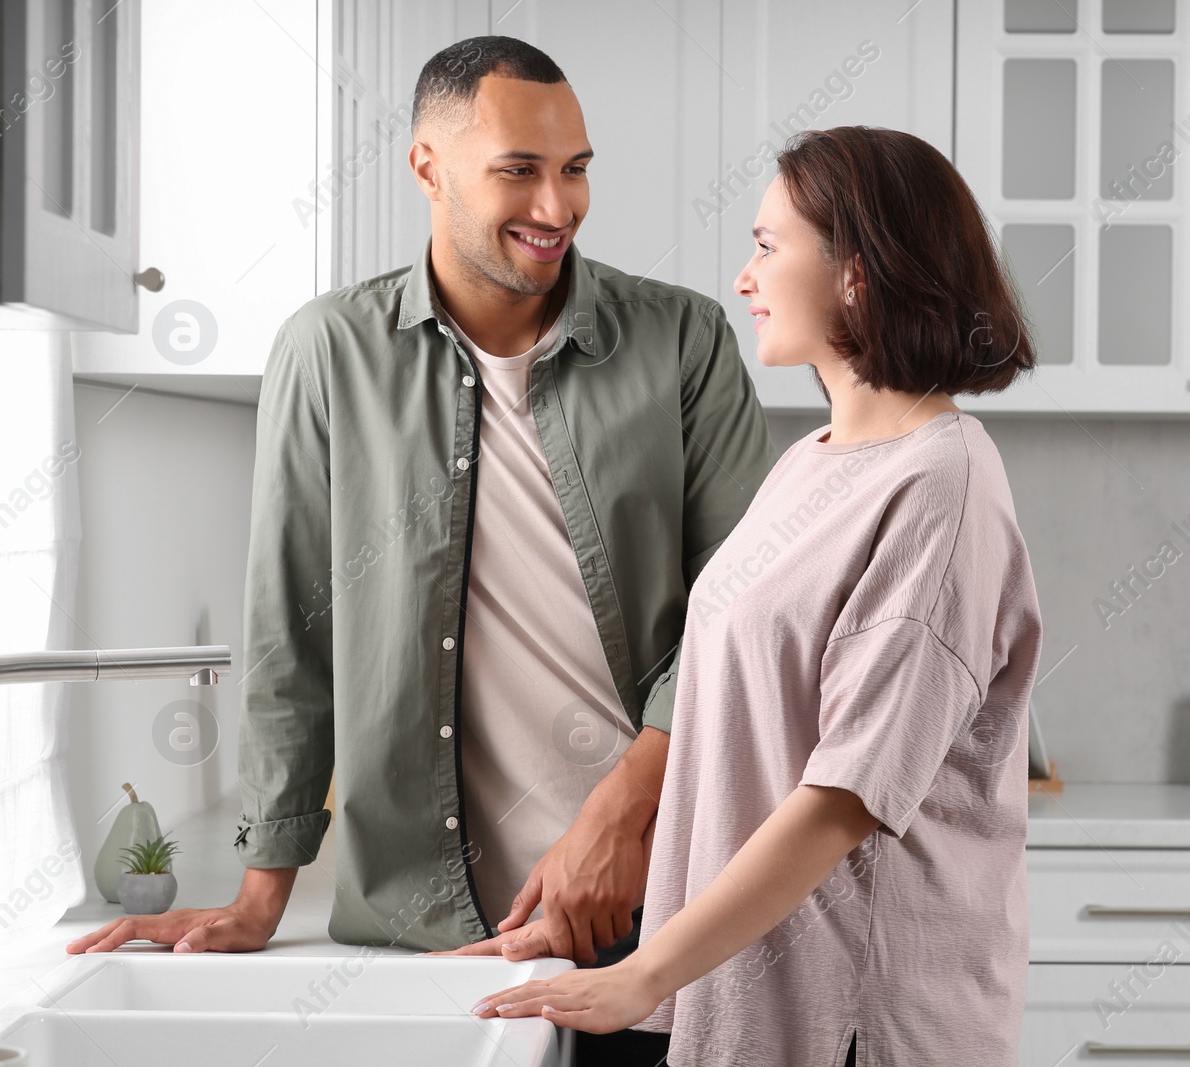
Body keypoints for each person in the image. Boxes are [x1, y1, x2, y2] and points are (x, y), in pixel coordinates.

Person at [66, 35, 774, 1065]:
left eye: (575, 169)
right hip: (429, 943)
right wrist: (261, 896)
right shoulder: (328, 351)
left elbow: (743, 609)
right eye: (519, 170)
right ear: (427, 168)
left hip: (659, 911)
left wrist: (622, 816)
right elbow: (290, 632)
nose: (558, 206)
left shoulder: (683, 340)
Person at [469, 125, 1044, 1067]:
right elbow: (735, 752)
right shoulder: (809, 464)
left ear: (858, 272)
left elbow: (844, 798)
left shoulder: (943, 482)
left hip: (856, 1016)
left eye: (769, 247)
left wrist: (644, 971)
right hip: (748, 995)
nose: (744, 277)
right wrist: (601, 936)